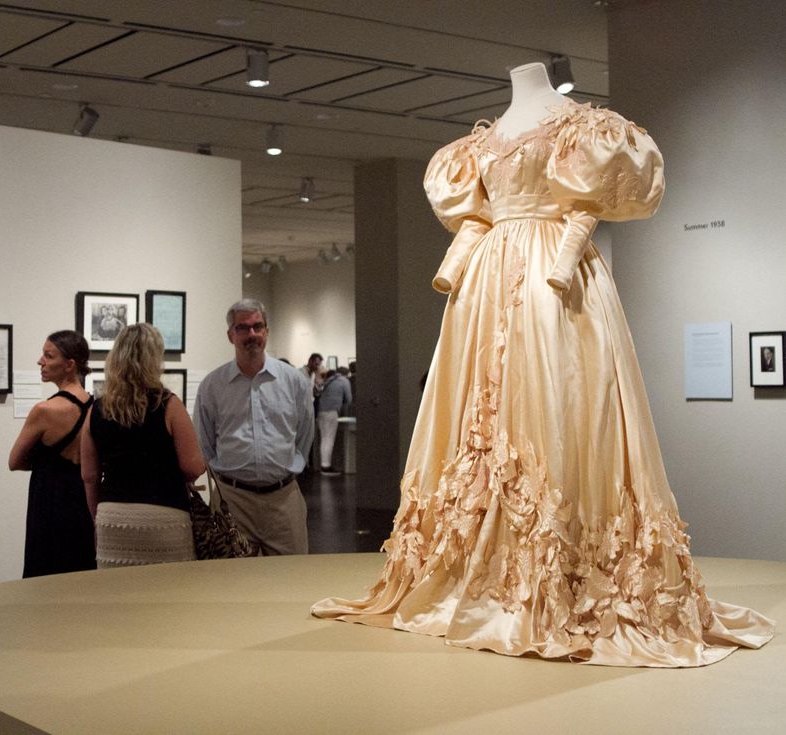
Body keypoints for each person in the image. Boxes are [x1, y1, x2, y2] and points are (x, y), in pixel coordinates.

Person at [312, 62, 774, 666]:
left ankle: (566, 574)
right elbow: (474, 215)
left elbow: (608, 200)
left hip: (553, 283)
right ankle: (479, 572)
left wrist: (557, 247)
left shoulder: (585, 128)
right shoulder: (476, 145)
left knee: (561, 406)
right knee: (481, 420)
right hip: (484, 291)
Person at [194, 298, 314, 555]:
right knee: (234, 584)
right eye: (243, 328)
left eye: (257, 327)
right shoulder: (212, 386)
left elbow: (305, 435)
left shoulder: (293, 381)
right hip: (233, 501)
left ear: (266, 332)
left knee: (292, 581)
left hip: (284, 499)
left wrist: (288, 467)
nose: (252, 334)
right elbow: (205, 445)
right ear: (230, 335)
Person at [81, 323, 205, 567]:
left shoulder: (96, 409)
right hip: (164, 515)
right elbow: (193, 466)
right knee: (170, 597)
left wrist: (98, 517)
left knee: (117, 600)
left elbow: (89, 475)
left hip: (112, 515)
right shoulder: (169, 405)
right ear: (154, 359)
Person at [9, 330, 96, 577]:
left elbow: (14, 461)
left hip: (50, 502)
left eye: (48, 356)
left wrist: (45, 461)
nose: (40, 361)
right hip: (83, 500)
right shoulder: (95, 407)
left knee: (46, 576)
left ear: (70, 365)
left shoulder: (44, 411)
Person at [317, 367, 352, 474]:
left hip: (321, 411)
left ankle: (323, 464)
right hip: (331, 412)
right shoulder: (344, 381)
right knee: (329, 440)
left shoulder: (330, 380)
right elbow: (349, 399)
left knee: (324, 439)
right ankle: (326, 467)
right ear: (347, 374)